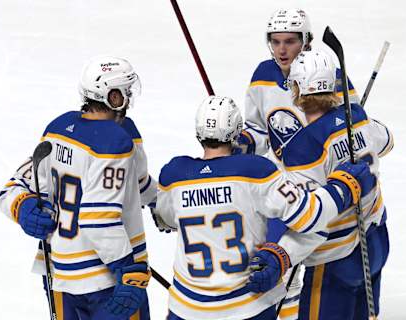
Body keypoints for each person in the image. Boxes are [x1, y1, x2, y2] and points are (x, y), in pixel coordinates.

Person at [151, 95, 376, 320]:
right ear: (236, 130)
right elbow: (310, 217)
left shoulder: (174, 175)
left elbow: (165, 218)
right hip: (248, 308)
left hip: (187, 309)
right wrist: (344, 186)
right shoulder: (255, 172)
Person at [0, 56, 157, 319]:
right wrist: (127, 268)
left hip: (60, 273)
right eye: (125, 91)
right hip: (110, 281)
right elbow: (97, 220)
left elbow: (12, 187)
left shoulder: (59, 128)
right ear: (112, 96)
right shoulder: (117, 138)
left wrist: (22, 205)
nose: (130, 97)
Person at [236, 9, 361, 319]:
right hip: (282, 189)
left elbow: (352, 126)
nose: (281, 50)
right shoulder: (262, 75)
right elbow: (258, 129)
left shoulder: (328, 76)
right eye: (275, 41)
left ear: (306, 41)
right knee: (277, 262)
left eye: (290, 41)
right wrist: (243, 143)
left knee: (312, 262)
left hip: (321, 189)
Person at [284, 50, 393, 319]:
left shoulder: (302, 146)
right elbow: (387, 140)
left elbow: (305, 216)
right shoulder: (357, 115)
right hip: (376, 242)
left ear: (298, 88)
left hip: (335, 258)